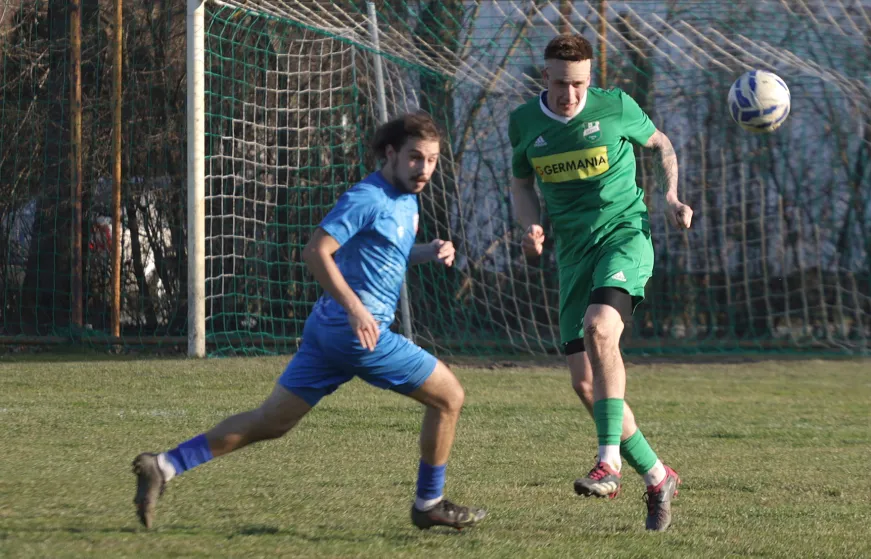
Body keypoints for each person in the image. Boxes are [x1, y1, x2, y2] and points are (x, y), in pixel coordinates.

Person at [132, 112, 487, 532]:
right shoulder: (367, 197)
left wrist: (429, 250)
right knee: (449, 397)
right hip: (358, 333)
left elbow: (383, 253)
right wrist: (356, 308)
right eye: (415, 158)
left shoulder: (407, 197)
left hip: (328, 330)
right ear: (390, 153)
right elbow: (316, 251)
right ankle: (429, 503)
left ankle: (164, 465)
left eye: (431, 160)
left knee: (272, 421)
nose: (423, 169)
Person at [508, 33, 693, 532]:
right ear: (545, 77)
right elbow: (521, 183)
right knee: (585, 383)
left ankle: (608, 464)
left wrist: (672, 196)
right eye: (561, 84)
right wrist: (529, 226)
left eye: (580, 84)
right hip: (573, 255)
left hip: (624, 237)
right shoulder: (524, 122)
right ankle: (658, 476)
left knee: (599, 329)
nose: (571, 94)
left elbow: (662, 143)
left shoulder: (616, 107)